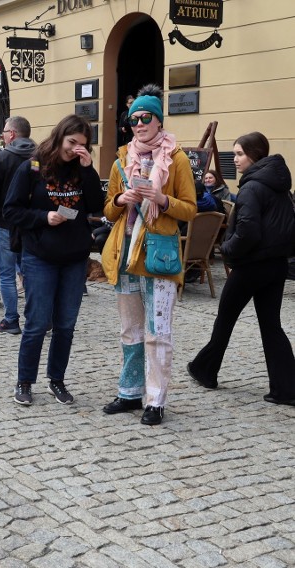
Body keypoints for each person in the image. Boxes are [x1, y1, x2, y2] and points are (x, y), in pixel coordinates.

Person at [99, 84, 197, 425]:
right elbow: (108, 211)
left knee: (158, 332)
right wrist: (120, 201)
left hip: (159, 254)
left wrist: (160, 198)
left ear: (158, 120)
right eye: (133, 119)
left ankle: (155, 400)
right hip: (125, 254)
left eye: (146, 118)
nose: (139, 124)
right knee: (130, 330)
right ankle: (130, 392)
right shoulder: (120, 160)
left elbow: (190, 210)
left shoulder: (177, 158)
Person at [3, 114, 104, 407]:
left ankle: (56, 380)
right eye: (71, 142)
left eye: (82, 145)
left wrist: (88, 170)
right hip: (40, 256)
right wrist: (43, 217)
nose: (75, 149)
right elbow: (11, 210)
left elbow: (97, 207)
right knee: (36, 323)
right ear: (59, 136)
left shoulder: (83, 169)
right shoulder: (32, 167)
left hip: (74, 258)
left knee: (66, 324)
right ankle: (24, 381)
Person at [187, 132, 295, 405]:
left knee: (225, 320)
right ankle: (287, 389)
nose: (234, 159)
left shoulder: (252, 187)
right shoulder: (279, 185)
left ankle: (205, 370)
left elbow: (248, 231)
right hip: (276, 265)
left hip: (251, 265)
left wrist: (228, 250)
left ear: (254, 156)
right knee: (272, 326)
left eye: (239, 154)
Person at [0, 116, 36, 334]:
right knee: (31, 271)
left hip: (4, 223)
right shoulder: (40, 157)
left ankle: (11, 319)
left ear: (12, 134)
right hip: (32, 223)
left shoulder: (0, 159)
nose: (1, 135)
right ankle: (39, 317)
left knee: (6, 274)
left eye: (4, 131)